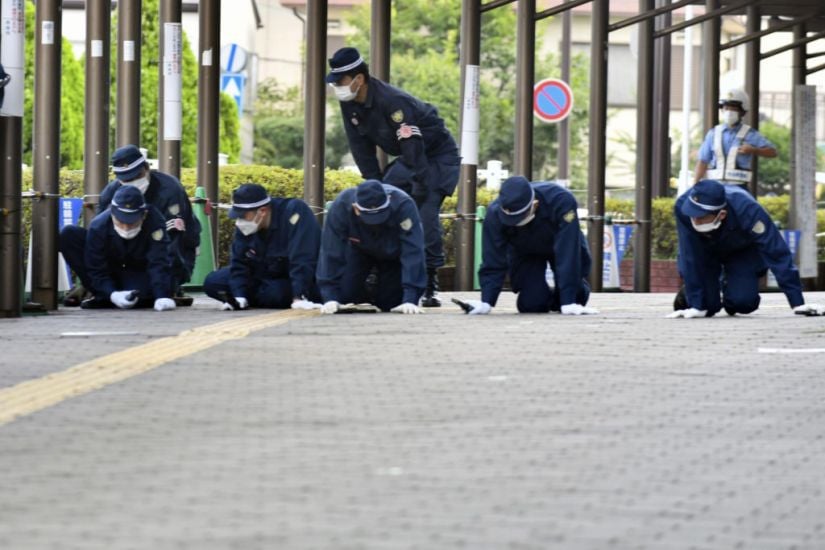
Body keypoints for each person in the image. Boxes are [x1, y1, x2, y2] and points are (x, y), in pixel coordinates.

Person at [326, 46, 460, 307]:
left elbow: (413, 146)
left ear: (359, 79)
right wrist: (374, 183)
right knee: (380, 201)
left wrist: (420, 184)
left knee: (425, 211)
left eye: (340, 82)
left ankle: (429, 282)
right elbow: (360, 148)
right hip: (410, 157)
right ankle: (378, 270)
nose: (337, 88)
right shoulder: (350, 104)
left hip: (436, 156)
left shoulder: (392, 101)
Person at [60, 144, 200, 306]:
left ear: (146, 168)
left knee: (143, 293)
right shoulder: (110, 193)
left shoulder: (169, 190)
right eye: (125, 179)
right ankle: (103, 292)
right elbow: (97, 244)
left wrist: (164, 290)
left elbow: (173, 244)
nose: (131, 182)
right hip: (123, 257)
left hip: (158, 257)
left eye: (135, 176)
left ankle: (159, 290)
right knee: (69, 235)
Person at [670, 179, 823, 318]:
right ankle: (690, 295)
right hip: (704, 249)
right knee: (708, 308)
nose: (694, 219)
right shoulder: (683, 207)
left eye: (701, 216)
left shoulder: (748, 210)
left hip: (741, 251)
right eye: (692, 214)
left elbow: (776, 252)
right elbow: (690, 255)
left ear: (721, 214)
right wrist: (697, 305)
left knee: (743, 303)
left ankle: (729, 288)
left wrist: (797, 302)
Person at [462, 176, 598, 316]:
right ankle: (547, 295)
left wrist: (568, 301)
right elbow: (493, 258)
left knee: (575, 298)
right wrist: (486, 302)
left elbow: (568, 251)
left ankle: (568, 293)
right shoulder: (494, 213)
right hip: (526, 251)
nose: (515, 222)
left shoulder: (562, 201)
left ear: (535, 204)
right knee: (532, 304)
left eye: (519, 217)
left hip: (562, 245)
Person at [203, 183, 322, 311]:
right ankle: (249, 299)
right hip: (261, 275)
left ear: (263, 211)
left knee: (276, 293)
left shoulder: (294, 212)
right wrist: (239, 295)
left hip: (289, 277)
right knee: (213, 282)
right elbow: (238, 263)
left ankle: (271, 296)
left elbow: (303, 259)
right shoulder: (246, 226)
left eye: (243, 216)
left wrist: (299, 295)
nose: (239, 221)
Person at [316, 180, 427, 314]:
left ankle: (379, 290)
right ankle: (366, 289)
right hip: (358, 250)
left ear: (389, 200)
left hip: (393, 255)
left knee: (391, 303)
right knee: (345, 297)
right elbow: (330, 251)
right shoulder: (341, 205)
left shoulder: (403, 204)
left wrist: (411, 298)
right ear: (356, 208)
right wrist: (329, 297)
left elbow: (413, 251)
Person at [81, 186, 176, 311]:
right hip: (110, 271)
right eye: (120, 222)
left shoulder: (154, 220)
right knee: (69, 235)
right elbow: (96, 267)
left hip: (138, 272)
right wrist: (111, 293)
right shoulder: (98, 226)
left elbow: (158, 260)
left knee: (139, 295)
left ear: (144, 215)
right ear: (112, 213)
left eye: (132, 223)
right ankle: (103, 295)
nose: (126, 228)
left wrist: (161, 296)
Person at [694, 88, 777, 188]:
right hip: (715, 187)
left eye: (733, 109)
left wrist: (753, 150)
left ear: (742, 112)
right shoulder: (713, 133)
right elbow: (702, 161)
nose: (729, 112)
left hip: (739, 187)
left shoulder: (750, 134)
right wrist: (695, 185)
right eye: (726, 108)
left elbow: (773, 152)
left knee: (749, 204)